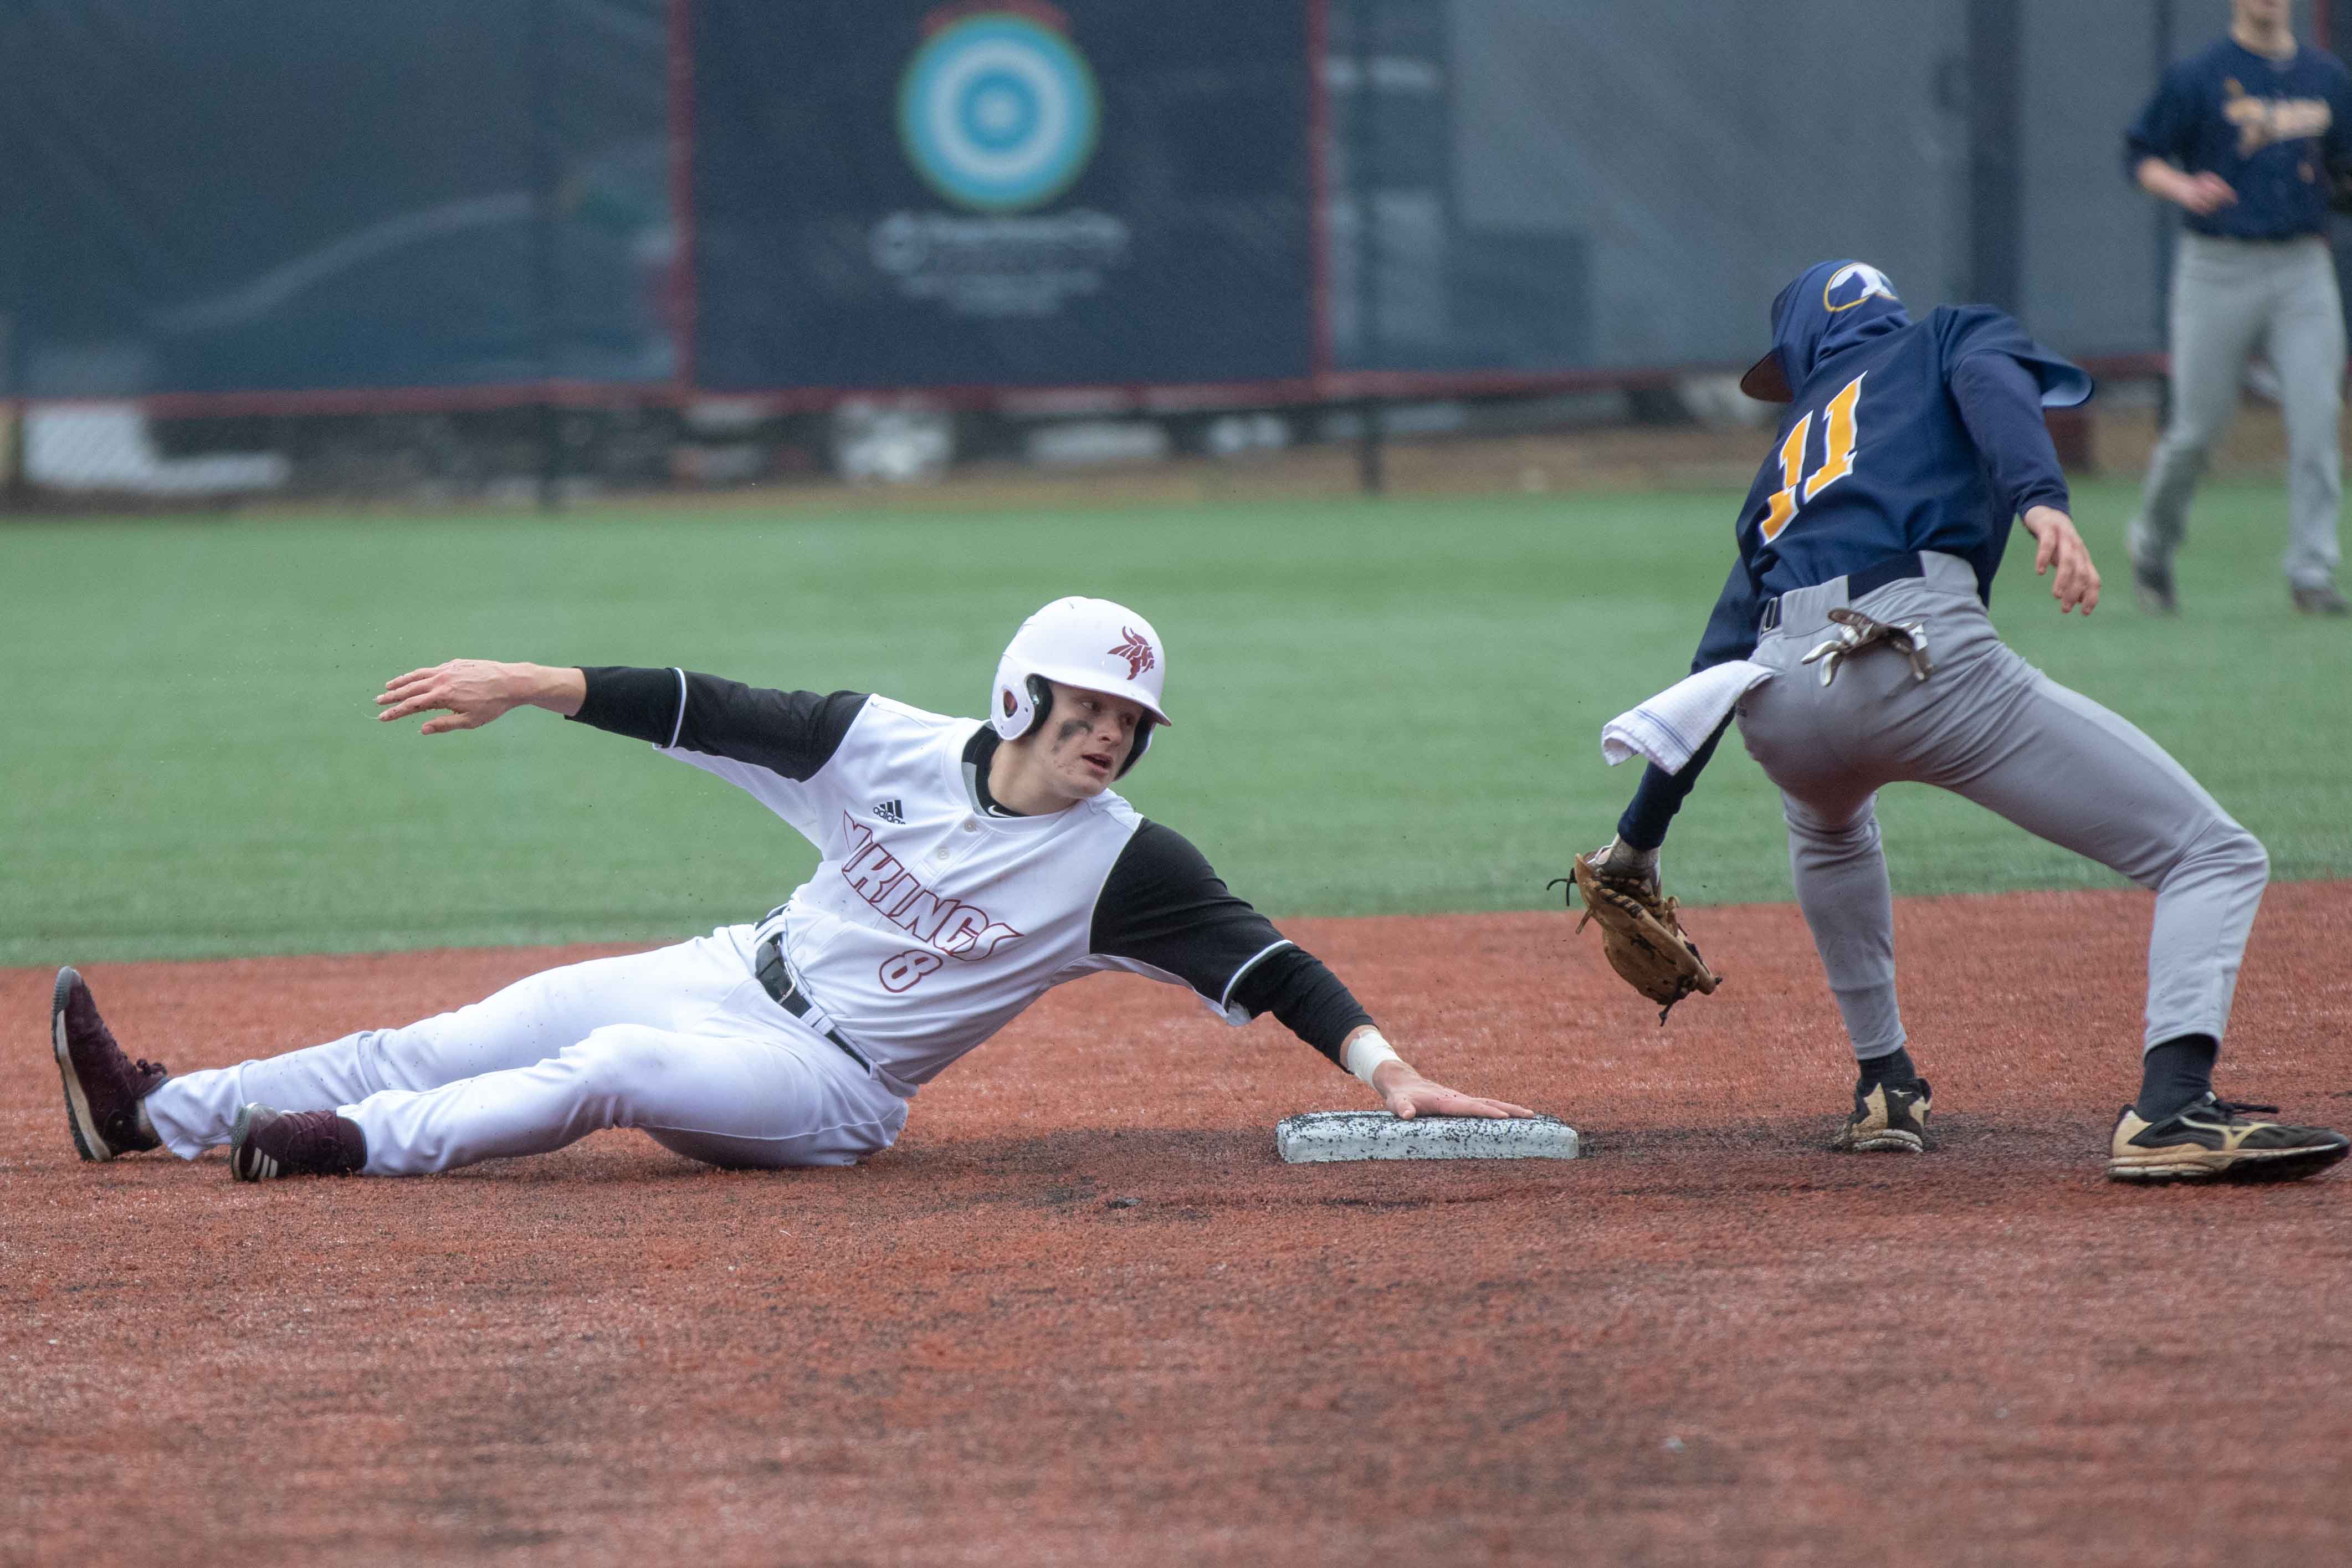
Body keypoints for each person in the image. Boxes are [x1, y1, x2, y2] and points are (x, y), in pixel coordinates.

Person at [49, 596, 1532, 1181]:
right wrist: (525, 681)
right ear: (1016, 694)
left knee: (612, 1069)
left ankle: (341, 1148)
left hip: (832, 1085)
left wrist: (1386, 1070)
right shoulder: (876, 741)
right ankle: (156, 1109)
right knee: (468, 1025)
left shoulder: (1120, 862)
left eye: (1126, 722)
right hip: (730, 966)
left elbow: (1267, 961)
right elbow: (701, 702)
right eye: (1083, 707)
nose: (1105, 735)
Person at [1580, 259, 2347, 1183]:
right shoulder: (1946, 335)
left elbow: (1716, 666)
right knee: (2212, 855)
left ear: (1809, 344)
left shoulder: (1786, 464)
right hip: (1913, 660)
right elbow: (1994, 385)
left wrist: (1640, 835)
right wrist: (2042, 500)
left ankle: (1883, 1082)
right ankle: (2172, 1109)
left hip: (1776, 701)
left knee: (1827, 827)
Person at [2123, 0, 2352, 616]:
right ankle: (2153, 545)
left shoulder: (2325, 78)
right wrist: (2182, 186)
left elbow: (2342, 169)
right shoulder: (2200, 75)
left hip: (2303, 266)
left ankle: (2311, 573)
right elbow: (2140, 153)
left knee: (2316, 419)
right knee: (2196, 431)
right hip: (2218, 266)